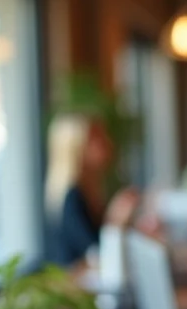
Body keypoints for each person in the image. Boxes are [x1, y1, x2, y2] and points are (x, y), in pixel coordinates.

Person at [44, 114, 139, 266]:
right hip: (72, 284)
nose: (107, 141)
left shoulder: (94, 189)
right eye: (96, 139)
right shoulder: (72, 198)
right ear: (77, 149)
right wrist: (116, 220)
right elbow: (96, 254)